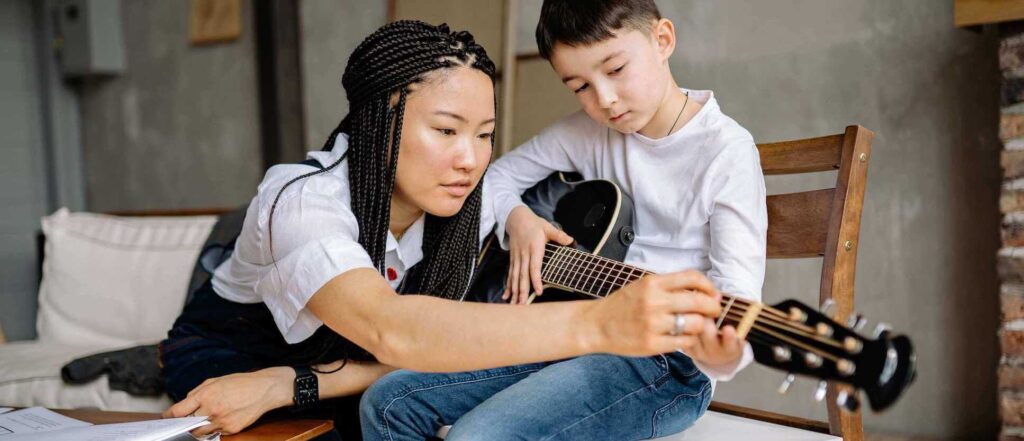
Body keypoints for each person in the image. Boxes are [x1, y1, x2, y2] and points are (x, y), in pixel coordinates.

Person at [159, 20, 725, 439]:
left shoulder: (468, 206)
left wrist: (520, 215)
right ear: (377, 126)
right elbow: (394, 330)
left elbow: (429, 342)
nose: (470, 160)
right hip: (238, 354)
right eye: (447, 130)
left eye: (484, 134)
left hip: (342, 362)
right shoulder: (304, 200)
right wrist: (601, 322)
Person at [359, 1, 767, 440]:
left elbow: (737, 297)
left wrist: (720, 354)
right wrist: (518, 219)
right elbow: (496, 178)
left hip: (664, 363)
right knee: (388, 403)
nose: (604, 100)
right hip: (572, 330)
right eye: (580, 87)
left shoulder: (726, 152)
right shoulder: (589, 131)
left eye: (615, 70)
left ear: (662, 40)